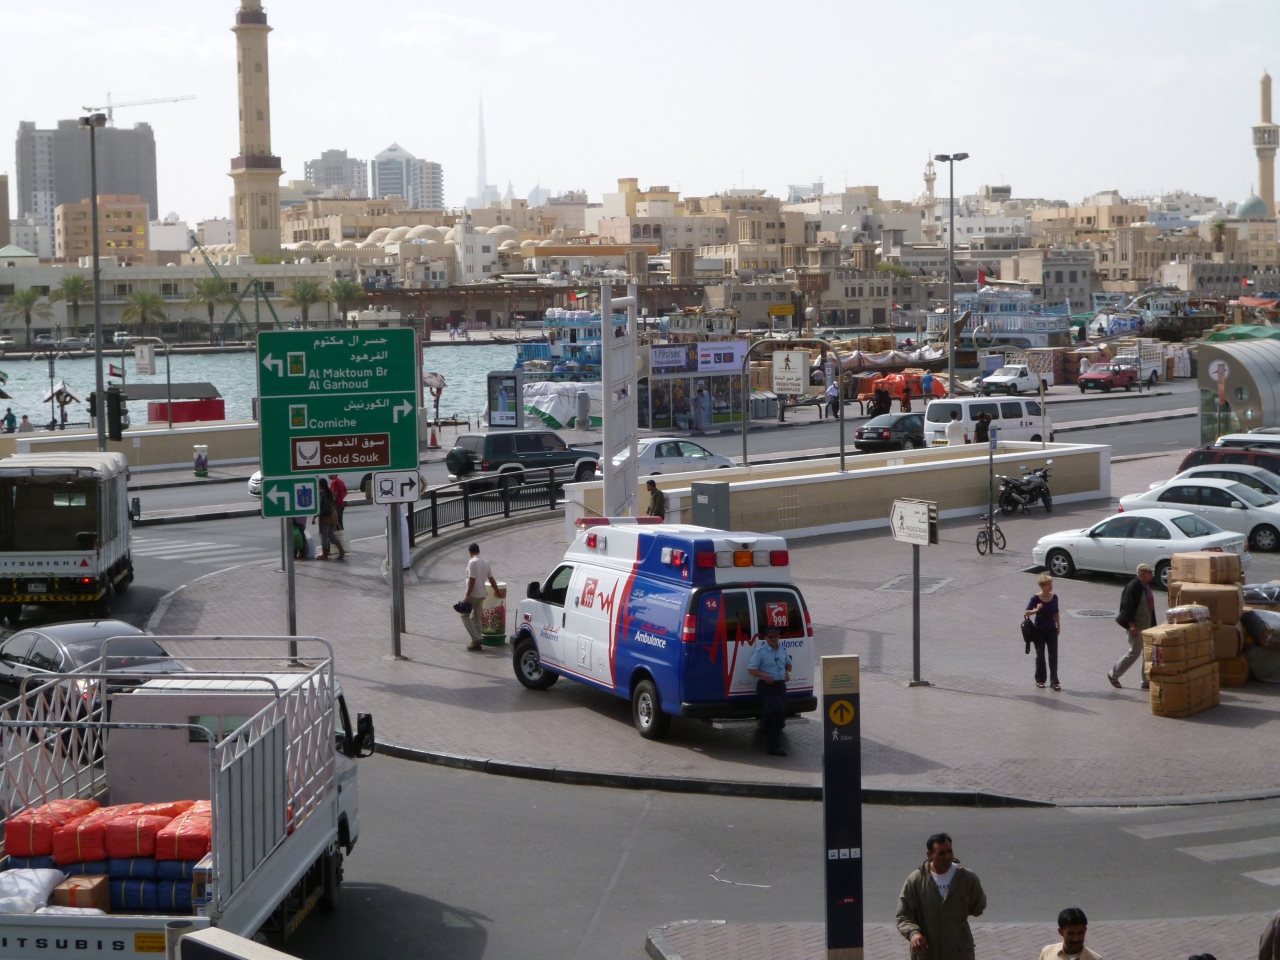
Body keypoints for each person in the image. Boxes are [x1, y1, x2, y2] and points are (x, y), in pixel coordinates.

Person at [896, 833, 987, 960]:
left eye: (950, 851)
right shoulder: (916, 880)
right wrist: (913, 934)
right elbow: (903, 915)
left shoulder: (967, 878)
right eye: (941, 853)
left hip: (958, 951)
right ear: (929, 855)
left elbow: (978, 907)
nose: (947, 856)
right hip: (927, 953)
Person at [1109, 563, 1155, 689]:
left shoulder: (1145, 587)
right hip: (1136, 627)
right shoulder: (1133, 586)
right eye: (1150, 573)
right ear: (1142, 573)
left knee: (1147, 654)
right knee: (1134, 652)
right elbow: (1127, 608)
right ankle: (1113, 674)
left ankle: (1146, 681)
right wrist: (1132, 627)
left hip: (1146, 627)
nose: (1152, 575)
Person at [747, 628, 791, 756]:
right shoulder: (760, 652)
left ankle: (765, 724)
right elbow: (751, 669)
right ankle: (773, 748)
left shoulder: (782, 650)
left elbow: (788, 664)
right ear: (765, 638)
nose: (773, 639)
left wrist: (788, 673)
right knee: (777, 712)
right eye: (770, 636)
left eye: (775, 636)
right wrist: (765, 676)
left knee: (779, 713)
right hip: (766, 686)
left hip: (780, 686)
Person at [1024, 573, 1061, 690]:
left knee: (1053, 655)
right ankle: (1040, 679)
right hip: (1039, 631)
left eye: (1051, 584)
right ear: (1042, 586)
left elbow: (1056, 612)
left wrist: (1058, 626)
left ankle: (1054, 681)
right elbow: (1027, 613)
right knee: (1040, 655)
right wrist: (1037, 609)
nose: (1051, 586)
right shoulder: (1035, 598)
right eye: (1048, 585)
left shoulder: (1054, 597)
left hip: (1051, 630)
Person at [461, 542, 499, 651]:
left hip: (473, 594)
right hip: (482, 594)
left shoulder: (472, 562)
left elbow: (472, 580)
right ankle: (477, 643)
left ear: (470, 552)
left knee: (464, 615)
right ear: (479, 551)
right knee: (477, 617)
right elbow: (491, 579)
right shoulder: (486, 562)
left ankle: (476, 638)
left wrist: (467, 596)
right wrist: (497, 591)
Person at [314, 478, 345, 560]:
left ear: (320, 485)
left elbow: (319, 507)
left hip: (325, 517)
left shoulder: (321, 494)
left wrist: (314, 518)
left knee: (324, 536)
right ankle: (341, 550)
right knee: (331, 534)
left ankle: (325, 554)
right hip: (333, 515)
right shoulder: (330, 493)